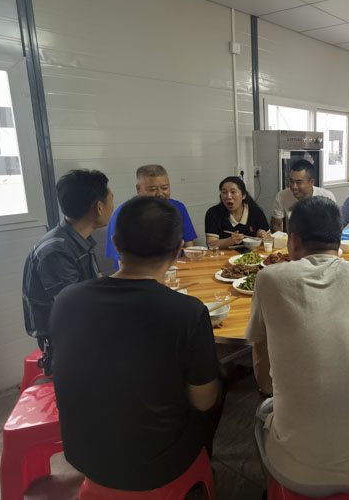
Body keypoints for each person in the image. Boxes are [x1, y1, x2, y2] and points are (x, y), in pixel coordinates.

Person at [50, 196, 221, 493]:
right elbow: (203, 401)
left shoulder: (68, 300)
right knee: (217, 384)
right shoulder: (188, 312)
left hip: (84, 455)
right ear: (178, 249)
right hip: (157, 465)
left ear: (115, 243)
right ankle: (201, 467)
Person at [247, 196, 349, 497]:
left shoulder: (269, 279)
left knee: (260, 415)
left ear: (293, 241)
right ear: (339, 238)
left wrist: (273, 389)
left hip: (299, 474)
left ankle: (271, 492)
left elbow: (263, 373)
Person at [22, 169, 113, 372]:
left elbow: (95, 283)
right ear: (99, 207)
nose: (112, 206)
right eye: (111, 199)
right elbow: (75, 309)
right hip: (65, 341)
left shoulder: (77, 239)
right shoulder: (56, 250)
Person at [105, 164, 197, 268]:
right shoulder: (123, 215)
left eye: (165, 188)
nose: (160, 194)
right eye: (153, 189)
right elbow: (121, 261)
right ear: (138, 189)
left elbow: (189, 247)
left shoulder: (177, 208)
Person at [205, 176, 270, 249]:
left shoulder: (255, 211)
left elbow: (270, 238)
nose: (228, 197)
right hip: (224, 255)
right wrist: (230, 241)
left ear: (243, 195)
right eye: (224, 192)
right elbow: (211, 244)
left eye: (233, 192)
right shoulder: (213, 213)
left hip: (253, 254)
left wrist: (264, 237)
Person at [270, 159, 335, 232]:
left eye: (298, 182)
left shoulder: (326, 197)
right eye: (291, 181)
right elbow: (275, 225)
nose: (294, 187)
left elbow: (334, 226)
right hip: (293, 237)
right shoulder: (282, 196)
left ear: (311, 182)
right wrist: (284, 238)